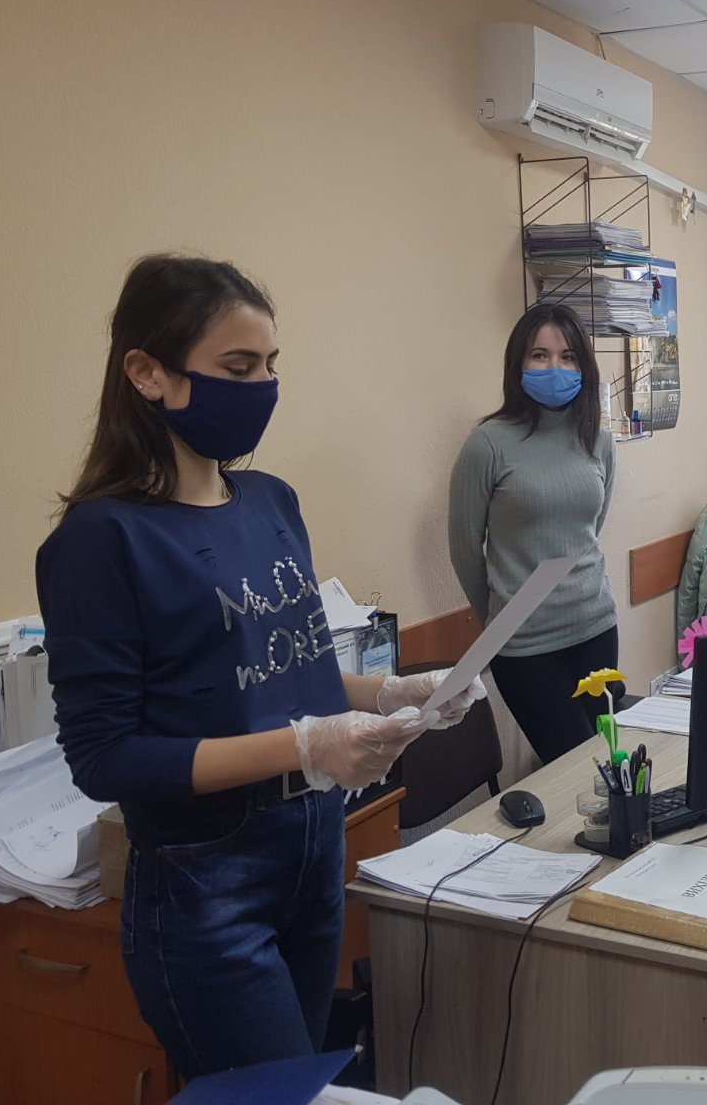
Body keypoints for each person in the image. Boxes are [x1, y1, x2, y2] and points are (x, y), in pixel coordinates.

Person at [36, 255, 485, 1079]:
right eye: (238, 368)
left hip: (311, 850)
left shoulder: (272, 502)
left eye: (271, 366)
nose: (264, 388)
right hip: (206, 882)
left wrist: (389, 691)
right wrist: (304, 747)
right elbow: (105, 758)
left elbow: (286, 675)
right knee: (273, 1094)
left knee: (306, 1082)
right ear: (147, 372)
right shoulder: (101, 541)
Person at [448, 303, 617, 764]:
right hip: (525, 646)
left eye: (568, 357)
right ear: (518, 363)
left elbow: (589, 530)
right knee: (577, 768)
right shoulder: (487, 444)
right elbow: (465, 550)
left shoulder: (599, 441)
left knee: (610, 763)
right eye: (540, 355)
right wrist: (501, 619)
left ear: (584, 366)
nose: (555, 367)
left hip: (597, 626)